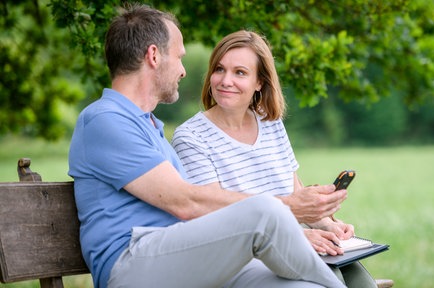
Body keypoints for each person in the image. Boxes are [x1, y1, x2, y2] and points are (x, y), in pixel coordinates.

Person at [68, 4, 348, 288]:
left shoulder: (147, 125)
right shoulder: (105, 120)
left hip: (181, 256)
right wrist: (287, 207)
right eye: (179, 57)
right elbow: (186, 202)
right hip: (132, 264)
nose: (183, 71)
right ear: (154, 56)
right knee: (264, 211)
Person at [171, 30, 377, 287]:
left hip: (292, 243)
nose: (225, 80)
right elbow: (210, 213)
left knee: (361, 281)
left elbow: (293, 194)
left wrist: (325, 224)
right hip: (243, 259)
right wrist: (297, 238)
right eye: (220, 69)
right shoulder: (191, 137)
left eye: (240, 72)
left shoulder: (270, 122)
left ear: (260, 82)